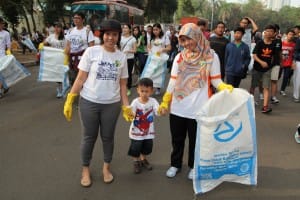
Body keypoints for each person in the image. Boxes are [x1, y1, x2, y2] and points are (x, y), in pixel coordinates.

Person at [158, 23, 233, 180]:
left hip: (199, 108)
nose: (186, 44)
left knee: (195, 141)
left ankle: (193, 166)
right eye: (183, 40)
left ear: (197, 36)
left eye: (188, 39)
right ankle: (175, 164)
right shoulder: (179, 57)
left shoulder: (211, 56)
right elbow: (172, 81)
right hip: (179, 107)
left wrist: (225, 87)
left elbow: (216, 81)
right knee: (177, 139)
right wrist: (166, 101)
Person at [63, 19, 131, 187]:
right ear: (102, 35)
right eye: (107, 34)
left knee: (108, 138)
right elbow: (80, 78)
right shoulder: (91, 52)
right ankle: (85, 169)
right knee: (89, 137)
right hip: (89, 103)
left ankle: (106, 168)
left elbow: (123, 85)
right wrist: (70, 98)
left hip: (112, 105)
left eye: (114, 34)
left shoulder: (121, 57)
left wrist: (126, 106)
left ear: (118, 36)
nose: (110, 38)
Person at [126, 78, 160, 174]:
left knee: (147, 146)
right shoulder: (135, 102)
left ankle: (143, 159)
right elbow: (131, 113)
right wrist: (128, 113)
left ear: (151, 91)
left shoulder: (153, 101)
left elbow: (158, 111)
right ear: (137, 90)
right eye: (142, 91)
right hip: (136, 131)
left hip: (148, 131)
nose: (144, 93)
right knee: (135, 147)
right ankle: (136, 161)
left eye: (147, 91)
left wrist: (162, 110)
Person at [250, 25, 276, 114]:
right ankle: (249, 102)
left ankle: (265, 107)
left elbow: (274, 57)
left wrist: (270, 65)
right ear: (264, 32)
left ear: (274, 33)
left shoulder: (274, 44)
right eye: (267, 31)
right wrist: (261, 62)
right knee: (253, 86)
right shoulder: (260, 43)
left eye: (271, 31)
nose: (269, 33)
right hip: (257, 68)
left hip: (267, 70)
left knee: (266, 87)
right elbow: (254, 55)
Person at [65, 12, 95, 86]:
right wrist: (67, 57)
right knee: (74, 79)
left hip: (83, 59)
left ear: (83, 20)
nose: (75, 20)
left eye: (78, 18)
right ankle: (75, 94)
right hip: (72, 60)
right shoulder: (70, 31)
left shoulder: (88, 32)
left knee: (83, 79)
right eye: (74, 18)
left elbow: (91, 47)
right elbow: (68, 45)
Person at [43, 22, 67, 98]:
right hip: (55, 58)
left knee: (64, 74)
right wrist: (44, 44)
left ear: (61, 28)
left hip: (63, 58)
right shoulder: (51, 36)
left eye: (58, 27)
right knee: (57, 75)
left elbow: (67, 47)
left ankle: (65, 89)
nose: (56, 29)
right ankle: (59, 90)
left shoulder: (65, 37)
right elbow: (45, 43)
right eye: (55, 27)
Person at [147, 23, 171, 95]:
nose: (155, 31)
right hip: (152, 58)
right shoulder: (151, 37)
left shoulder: (165, 37)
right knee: (150, 73)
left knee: (159, 74)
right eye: (153, 30)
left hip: (161, 58)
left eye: (156, 30)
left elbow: (169, 47)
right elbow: (148, 47)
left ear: (160, 29)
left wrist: (162, 50)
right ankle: (149, 88)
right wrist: (149, 51)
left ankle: (158, 88)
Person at [121, 24, 136, 96]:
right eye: (123, 28)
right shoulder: (120, 38)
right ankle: (120, 88)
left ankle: (128, 88)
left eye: (126, 28)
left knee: (128, 74)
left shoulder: (133, 39)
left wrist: (128, 51)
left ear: (130, 29)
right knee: (120, 73)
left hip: (129, 59)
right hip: (120, 59)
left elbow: (135, 50)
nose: (124, 29)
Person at [279, 29, 295, 96]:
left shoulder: (294, 45)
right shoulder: (281, 43)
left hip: (288, 63)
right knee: (277, 76)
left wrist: (293, 63)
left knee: (286, 77)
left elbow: (294, 54)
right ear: (287, 34)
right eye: (290, 34)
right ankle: (273, 87)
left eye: (292, 35)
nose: (291, 36)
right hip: (280, 62)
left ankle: (282, 90)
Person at [269, 24, 282, 104]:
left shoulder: (278, 41)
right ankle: (262, 94)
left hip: (276, 63)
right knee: (264, 81)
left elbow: (280, 51)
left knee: (274, 80)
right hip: (266, 64)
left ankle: (273, 97)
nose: (274, 32)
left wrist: (281, 62)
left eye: (276, 31)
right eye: (271, 31)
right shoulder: (265, 40)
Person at [0, 17, 12, 98]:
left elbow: (8, 45)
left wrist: (8, 53)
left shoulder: (6, 33)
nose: (2, 25)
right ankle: (5, 85)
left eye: (3, 24)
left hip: (2, 55)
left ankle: (0, 90)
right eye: (1, 23)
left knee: (1, 72)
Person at [293, 33, 300, 102]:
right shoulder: (299, 40)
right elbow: (296, 51)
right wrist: (294, 61)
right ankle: (296, 95)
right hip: (298, 61)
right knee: (297, 79)